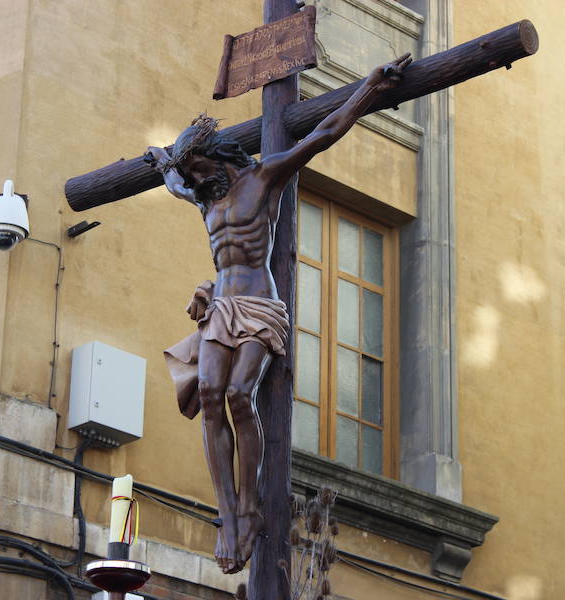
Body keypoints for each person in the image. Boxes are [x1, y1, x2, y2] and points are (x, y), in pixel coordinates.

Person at [145, 53, 412, 574]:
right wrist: (162, 162)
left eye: (198, 169)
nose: (195, 180)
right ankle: (228, 512)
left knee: (238, 394)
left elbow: (323, 134)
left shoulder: (262, 179)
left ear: (216, 158)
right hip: (221, 308)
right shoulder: (204, 198)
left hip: (258, 305)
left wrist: (369, 90)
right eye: (190, 174)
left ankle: (249, 506)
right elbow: (175, 183)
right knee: (209, 394)